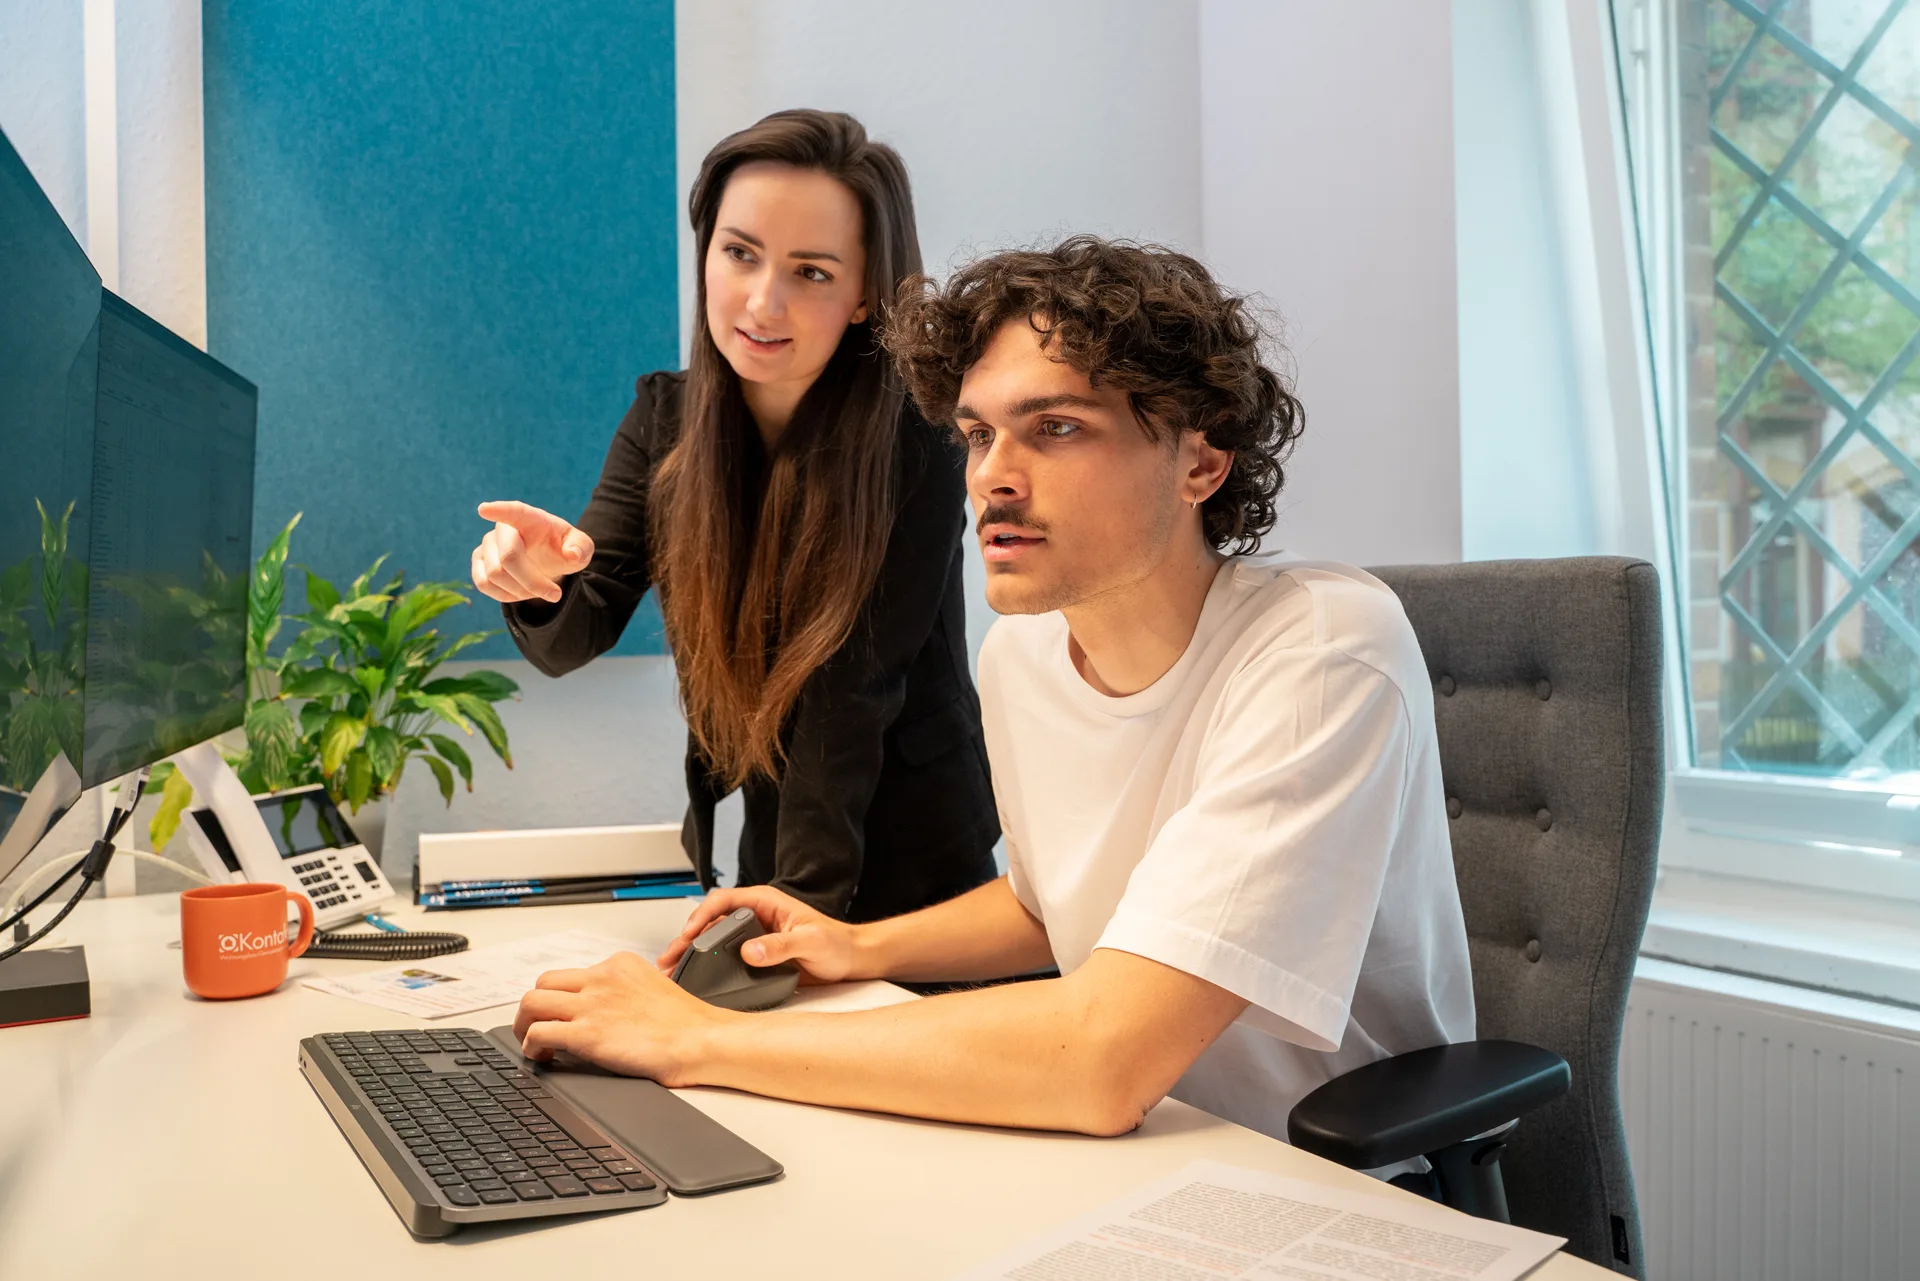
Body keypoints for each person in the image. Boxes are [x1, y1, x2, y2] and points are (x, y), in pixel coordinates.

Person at [510, 237, 1474, 1154]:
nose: (991, 477)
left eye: (1055, 428)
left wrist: (696, 1039)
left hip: (1312, 1182)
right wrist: (856, 946)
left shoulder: (1322, 652)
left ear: (1200, 461)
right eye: (978, 434)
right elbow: (1051, 904)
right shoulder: (1024, 654)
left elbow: (1101, 1061)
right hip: (1128, 1150)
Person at [470, 110, 998, 923]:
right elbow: (575, 633)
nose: (762, 301)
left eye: (811, 272)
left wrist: (796, 915)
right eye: (740, 253)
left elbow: (852, 687)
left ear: (864, 295)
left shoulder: (918, 437)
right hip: (779, 841)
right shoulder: (665, 419)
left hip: (922, 864)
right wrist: (542, 583)